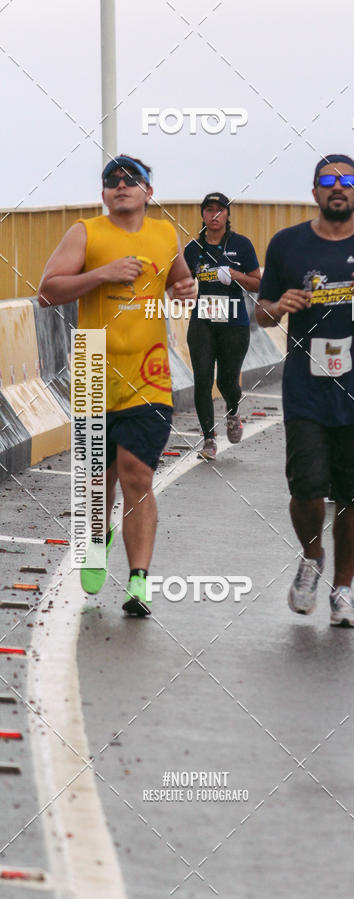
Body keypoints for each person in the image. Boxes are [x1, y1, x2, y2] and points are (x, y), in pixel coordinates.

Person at [38, 154, 196, 615]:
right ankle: (96, 537)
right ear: (103, 192)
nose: (120, 186)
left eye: (131, 180)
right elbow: (48, 291)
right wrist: (101, 274)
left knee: (136, 474)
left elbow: (180, 283)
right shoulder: (86, 233)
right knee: (96, 479)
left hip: (149, 373)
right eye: (112, 181)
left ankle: (139, 581)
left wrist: (185, 291)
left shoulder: (165, 234)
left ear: (149, 191)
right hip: (92, 368)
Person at [256, 154, 354, 627]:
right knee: (306, 488)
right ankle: (311, 557)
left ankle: (343, 591)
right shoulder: (287, 245)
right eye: (327, 180)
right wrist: (280, 305)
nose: (337, 187)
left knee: (353, 497)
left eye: (347, 181)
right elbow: (260, 313)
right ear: (315, 192)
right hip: (305, 386)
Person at [184, 193, 261, 460]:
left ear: (227, 215)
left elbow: (258, 283)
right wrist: (178, 291)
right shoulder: (193, 248)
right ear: (203, 215)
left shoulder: (241, 245)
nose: (214, 216)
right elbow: (180, 282)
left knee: (227, 380)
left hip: (234, 322)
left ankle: (232, 410)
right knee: (202, 378)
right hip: (203, 320)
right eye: (209, 210)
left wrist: (235, 275)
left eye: (220, 210)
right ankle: (208, 440)